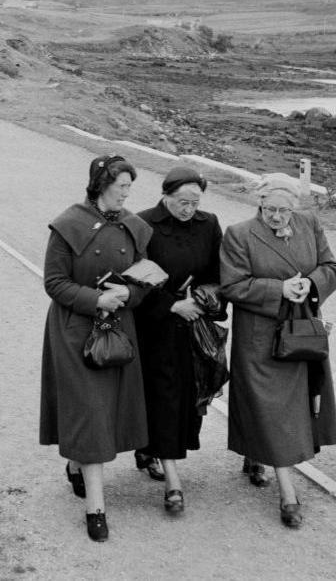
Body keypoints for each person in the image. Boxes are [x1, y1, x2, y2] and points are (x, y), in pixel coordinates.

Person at [39, 154, 153, 543]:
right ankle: (96, 510)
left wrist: (130, 292)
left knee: (104, 411)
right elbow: (54, 283)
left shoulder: (134, 227)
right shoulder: (68, 224)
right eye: (121, 186)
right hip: (75, 330)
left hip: (119, 328)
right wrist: (95, 300)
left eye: (129, 187)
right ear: (101, 184)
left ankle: (76, 465)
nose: (126, 193)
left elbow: (147, 278)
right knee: (89, 411)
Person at [219, 173, 336, 529]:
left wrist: (310, 284)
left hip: (302, 331)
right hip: (260, 338)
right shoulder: (239, 235)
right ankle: (288, 495)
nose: (277, 217)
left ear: (295, 208)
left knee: (295, 405)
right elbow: (232, 286)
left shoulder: (310, 224)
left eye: (284, 211)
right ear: (259, 204)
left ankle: (256, 456)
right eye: (270, 209)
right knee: (270, 409)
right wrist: (280, 289)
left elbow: (331, 268)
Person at [133, 167, 223, 514]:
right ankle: (172, 481)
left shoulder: (209, 223)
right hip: (156, 328)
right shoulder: (143, 225)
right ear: (165, 196)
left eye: (194, 202)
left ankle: (148, 447)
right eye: (182, 202)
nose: (188, 209)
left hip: (195, 326)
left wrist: (202, 298)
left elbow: (219, 274)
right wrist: (173, 305)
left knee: (189, 398)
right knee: (163, 397)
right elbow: (134, 280)